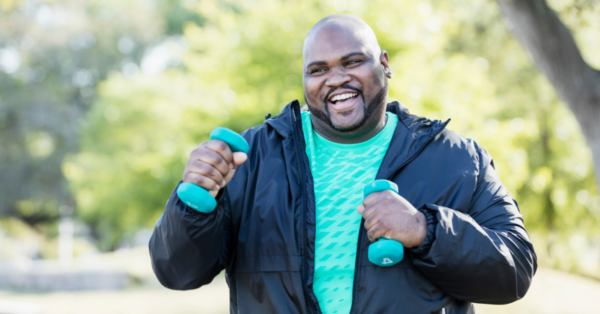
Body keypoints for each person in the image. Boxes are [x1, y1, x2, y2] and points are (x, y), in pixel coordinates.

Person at [149, 14, 537, 314]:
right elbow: (177, 273)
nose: (336, 79)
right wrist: (195, 201)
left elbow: (515, 270)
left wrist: (425, 229)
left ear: (384, 64)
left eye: (352, 62)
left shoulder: (455, 159)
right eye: (318, 70)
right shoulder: (251, 157)